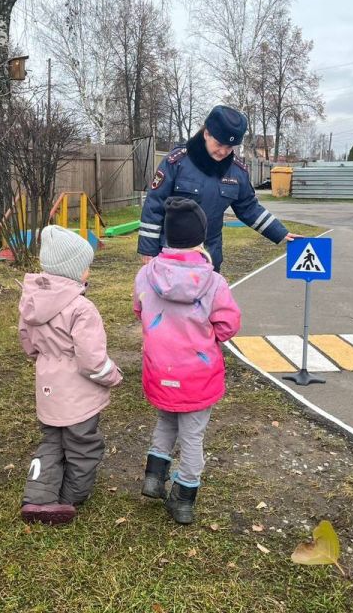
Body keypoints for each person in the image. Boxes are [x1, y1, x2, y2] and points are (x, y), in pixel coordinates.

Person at [133, 197, 242, 524]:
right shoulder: (214, 283)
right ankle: (183, 498)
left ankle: (154, 476)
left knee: (166, 420)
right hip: (197, 374)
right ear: (200, 238)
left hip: (160, 368)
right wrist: (209, 338)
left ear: (167, 235)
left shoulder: (146, 275)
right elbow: (228, 324)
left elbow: (140, 311)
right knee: (192, 435)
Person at [18, 225, 122, 525]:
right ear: (73, 270)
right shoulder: (81, 308)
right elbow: (91, 360)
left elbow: (27, 341)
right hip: (79, 394)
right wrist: (112, 375)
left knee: (51, 441)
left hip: (47, 386)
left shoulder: (31, 300)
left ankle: (37, 496)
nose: (88, 271)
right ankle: (70, 497)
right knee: (83, 444)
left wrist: (45, 358)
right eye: (86, 266)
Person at [138, 104, 295, 272]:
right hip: (172, 256)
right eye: (219, 144)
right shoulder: (177, 162)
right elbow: (154, 205)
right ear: (206, 134)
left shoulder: (237, 172)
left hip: (209, 257)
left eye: (229, 147)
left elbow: (248, 208)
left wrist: (279, 232)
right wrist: (148, 249)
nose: (223, 152)